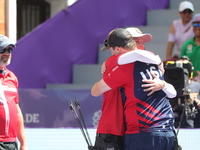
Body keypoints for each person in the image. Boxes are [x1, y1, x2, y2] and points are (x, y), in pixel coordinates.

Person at [91, 28, 177, 150]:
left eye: (142, 41)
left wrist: (163, 84)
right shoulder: (151, 60)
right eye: (137, 41)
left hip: (142, 132)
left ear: (118, 48)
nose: (141, 44)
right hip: (164, 131)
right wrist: (158, 60)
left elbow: (95, 91)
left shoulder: (131, 63)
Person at [0, 35, 28, 150]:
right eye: (2, 49)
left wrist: (23, 143)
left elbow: (17, 113)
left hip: (11, 143)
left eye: (9, 50)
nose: (7, 53)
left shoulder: (12, 77)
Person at [180, 13, 200, 128]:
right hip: (192, 83)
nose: (198, 27)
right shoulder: (187, 44)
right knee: (192, 100)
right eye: (195, 24)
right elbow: (181, 63)